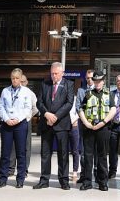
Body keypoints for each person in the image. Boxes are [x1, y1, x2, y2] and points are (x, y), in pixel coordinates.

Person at [35, 61, 75, 189]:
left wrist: (55, 116)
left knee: (63, 154)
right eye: (52, 73)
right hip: (46, 124)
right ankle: (44, 180)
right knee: (45, 153)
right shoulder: (44, 84)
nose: (53, 76)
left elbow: (69, 103)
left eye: (56, 74)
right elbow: (39, 102)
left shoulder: (69, 84)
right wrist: (46, 114)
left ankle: (64, 181)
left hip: (61, 124)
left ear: (62, 73)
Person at [79, 70, 116, 191]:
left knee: (102, 156)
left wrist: (103, 122)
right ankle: (87, 182)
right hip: (89, 128)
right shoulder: (88, 94)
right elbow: (81, 110)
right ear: (93, 82)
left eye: (100, 81)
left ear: (103, 81)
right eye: (96, 81)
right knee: (88, 156)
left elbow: (113, 110)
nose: (98, 83)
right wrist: (86, 123)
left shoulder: (108, 94)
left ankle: (102, 182)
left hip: (103, 128)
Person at [0, 68, 34, 188]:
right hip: (7, 124)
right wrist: (7, 119)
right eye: (13, 78)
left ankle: (20, 179)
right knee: (5, 153)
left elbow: (28, 108)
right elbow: (1, 106)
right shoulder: (5, 91)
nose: (14, 80)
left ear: (21, 78)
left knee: (21, 153)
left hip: (20, 124)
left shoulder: (26, 91)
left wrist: (17, 119)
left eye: (17, 78)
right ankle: (3, 179)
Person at [18, 74, 38, 175]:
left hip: (26, 121)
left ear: (26, 82)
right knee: (13, 146)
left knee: (26, 145)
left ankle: (24, 169)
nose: (20, 83)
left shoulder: (31, 94)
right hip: (14, 122)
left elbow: (35, 108)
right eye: (19, 81)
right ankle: (11, 168)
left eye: (23, 81)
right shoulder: (14, 92)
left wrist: (28, 116)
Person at [108, 74, 120, 180]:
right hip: (114, 125)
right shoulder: (111, 94)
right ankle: (112, 171)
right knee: (112, 150)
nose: (119, 82)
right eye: (118, 80)